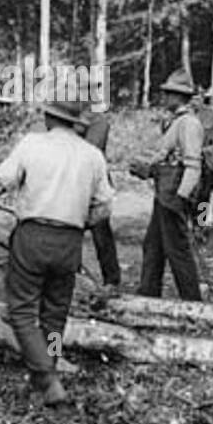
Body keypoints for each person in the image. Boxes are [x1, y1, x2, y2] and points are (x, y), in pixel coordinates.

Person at [0, 99, 112, 405]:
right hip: (70, 242)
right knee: (55, 314)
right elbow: (104, 208)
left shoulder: (32, 144)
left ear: (49, 118)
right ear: (77, 123)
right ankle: (45, 375)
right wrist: (76, 222)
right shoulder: (93, 155)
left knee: (21, 311)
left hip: (33, 236)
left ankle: (47, 378)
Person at [131, 69, 205, 301]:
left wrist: (181, 197)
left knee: (178, 250)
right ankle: (148, 294)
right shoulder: (176, 122)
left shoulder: (188, 123)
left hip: (173, 195)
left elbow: (193, 165)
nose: (164, 98)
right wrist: (146, 168)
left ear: (178, 96)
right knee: (153, 246)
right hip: (163, 193)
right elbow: (165, 157)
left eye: (168, 94)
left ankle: (193, 301)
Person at [81, 100, 122, 291]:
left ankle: (204, 227)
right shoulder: (78, 118)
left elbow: (92, 150)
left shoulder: (98, 121)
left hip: (199, 177)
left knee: (101, 234)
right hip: (79, 185)